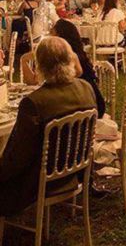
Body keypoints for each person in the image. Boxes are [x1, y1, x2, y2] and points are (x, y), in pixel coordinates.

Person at [0, 36, 98, 217]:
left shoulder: (34, 102)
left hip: (40, 181)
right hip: (74, 172)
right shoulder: (86, 88)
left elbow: (18, 156)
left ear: (40, 66)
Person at [50, 19, 106, 117]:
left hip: (88, 107)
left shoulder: (69, 56)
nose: (50, 33)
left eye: (53, 31)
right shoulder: (76, 52)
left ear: (59, 36)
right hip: (88, 102)